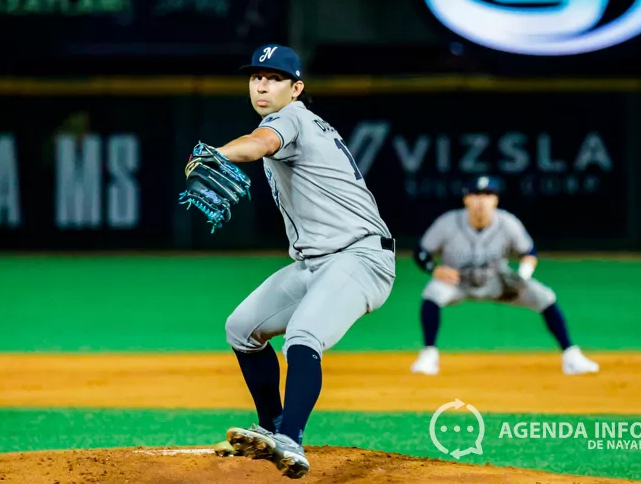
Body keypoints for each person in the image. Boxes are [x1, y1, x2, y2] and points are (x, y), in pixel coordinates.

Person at [208, 44, 396, 479]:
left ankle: (290, 438)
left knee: (303, 335)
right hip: (317, 264)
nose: (261, 84)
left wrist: (218, 152)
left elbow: (259, 144)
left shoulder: (291, 118)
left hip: (360, 257)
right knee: (241, 329)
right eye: (256, 76)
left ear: (296, 88)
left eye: (273, 78)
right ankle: (272, 427)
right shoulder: (297, 121)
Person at [409, 175, 599, 376]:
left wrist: (523, 276)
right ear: (466, 199)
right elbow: (421, 252)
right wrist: (434, 269)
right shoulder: (447, 223)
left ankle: (571, 356)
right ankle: (428, 355)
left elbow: (529, 253)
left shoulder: (507, 222)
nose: (481, 200)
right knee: (432, 294)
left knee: (545, 297)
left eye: (488, 194)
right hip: (458, 281)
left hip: (497, 281)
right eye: (476, 194)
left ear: (496, 200)